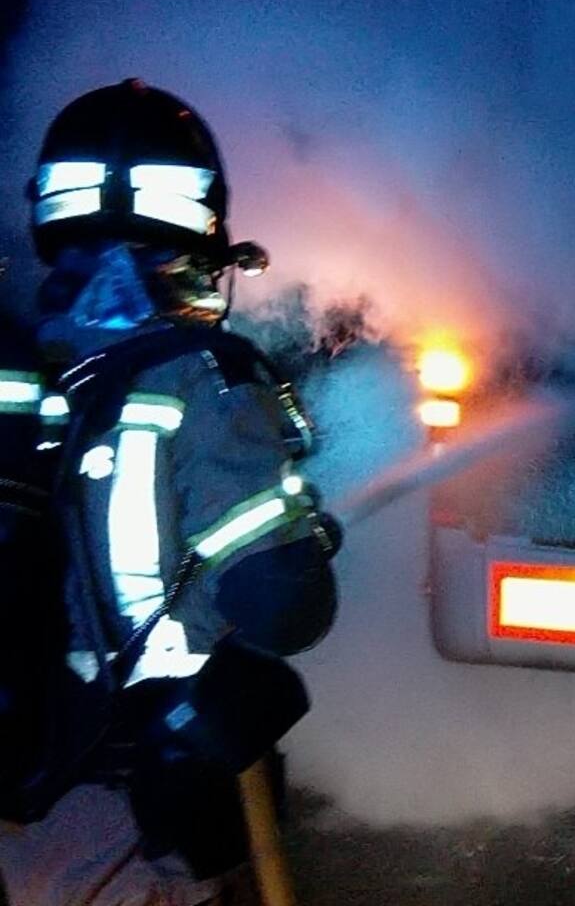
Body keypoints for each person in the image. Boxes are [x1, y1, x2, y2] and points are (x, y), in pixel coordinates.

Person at [0, 78, 339, 904]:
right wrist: (305, 536)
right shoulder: (204, 380)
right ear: (204, 220)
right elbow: (284, 605)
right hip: (118, 798)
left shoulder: (29, 366)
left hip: (22, 777)